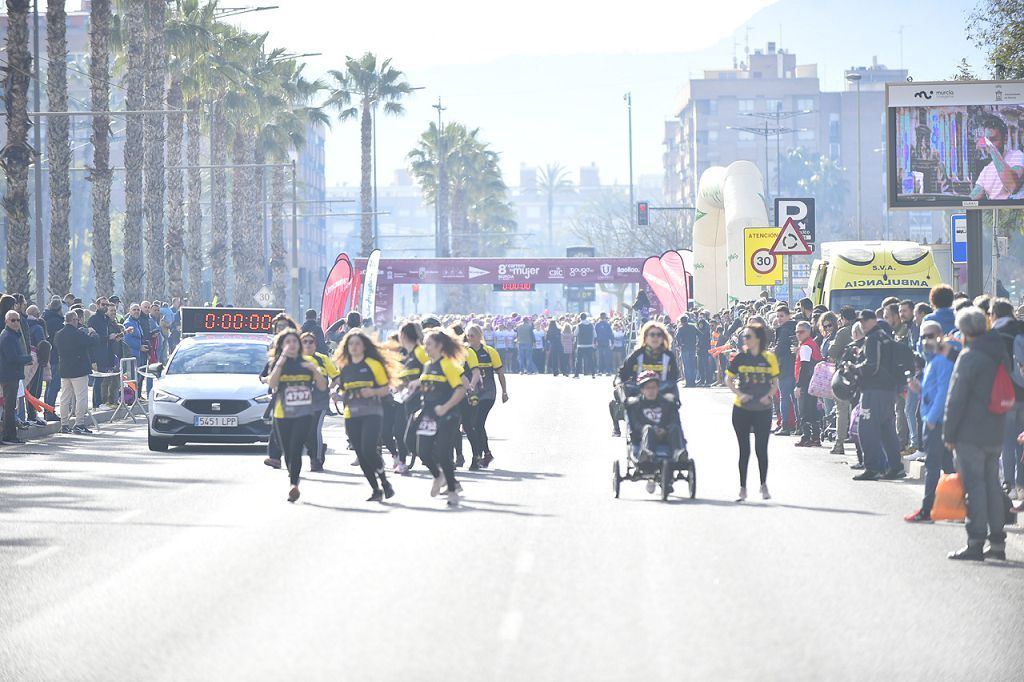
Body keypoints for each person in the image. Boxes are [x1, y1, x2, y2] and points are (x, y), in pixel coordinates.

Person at [943, 306, 1009, 561]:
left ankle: (975, 542)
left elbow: (956, 398)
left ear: (965, 331)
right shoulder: (998, 351)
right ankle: (997, 543)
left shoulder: (969, 356)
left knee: (975, 486)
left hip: (970, 431)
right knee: (992, 484)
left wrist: (949, 433)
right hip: (995, 427)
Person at [407, 328, 468, 507]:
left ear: (440, 346)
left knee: (442, 453)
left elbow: (460, 389)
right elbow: (428, 382)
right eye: (424, 343)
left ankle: (451, 489)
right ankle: (438, 476)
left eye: (429, 344)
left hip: (448, 415)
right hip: (428, 414)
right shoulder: (427, 365)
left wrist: (446, 407)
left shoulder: (448, 364)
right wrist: (415, 384)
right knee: (422, 451)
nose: (425, 347)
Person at [267, 329, 328, 503]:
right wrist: (281, 361)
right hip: (282, 413)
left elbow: (323, 386)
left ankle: (294, 484)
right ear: (282, 345)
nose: (292, 345)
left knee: (296, 447)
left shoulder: (308, 362)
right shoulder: (278, 363)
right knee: (287, 450)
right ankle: (292, 474)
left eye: (295, 341)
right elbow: (272, 383)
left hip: (304, 413)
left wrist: (315, 371)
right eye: (288, 342)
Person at [335, 329, 397, 502]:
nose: (354, 347)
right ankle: (376, 489)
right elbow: (344, 390)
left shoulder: (372, 364)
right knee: (361, 455)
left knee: (369, 449)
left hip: (372, 412)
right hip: (351, 415)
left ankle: (385, 482)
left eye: (357, 343)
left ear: (364, 346)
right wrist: (338, 395)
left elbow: (385, 389)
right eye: (351, 344)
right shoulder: (345, 366)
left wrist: (372, 391)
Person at [904, 321, 957, 522]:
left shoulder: (942, 361)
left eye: (930, 335)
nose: (926, 340)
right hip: (935, 418)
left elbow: (944, 392)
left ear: (941, 336)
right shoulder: (934, 360)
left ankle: (927, 509)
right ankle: (955, 507)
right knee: (948, 466)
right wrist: (919, 389)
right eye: (923, 336)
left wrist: (933, 419)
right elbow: (933, 390)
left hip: (937, 421)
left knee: (934, 466)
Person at [726, 321, 779, 501]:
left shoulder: (769, 358)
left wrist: (769, 396)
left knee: (761, 449)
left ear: (758, 338)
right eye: (744, 337)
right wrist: (740, 394)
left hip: (762, 409)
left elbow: (775, 384)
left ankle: (763, 485)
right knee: (744, 450)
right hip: (742, 408)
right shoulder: (740, 358)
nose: (745, 339)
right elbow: (728, 380)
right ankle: (742, 488)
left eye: (748, 336)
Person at [852, 309, 904, 481]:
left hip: (874, 390)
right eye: (860, 321)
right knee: (886, 429)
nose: (862, 324)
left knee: (866, 428)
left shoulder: (874, 338)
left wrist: (855, 368)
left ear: (874, 320)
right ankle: (896, 467)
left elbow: (872, 366)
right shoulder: (885, 336)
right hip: (888, 390)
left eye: (866, 320)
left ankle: (872, 467)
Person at [625, 370, 687, 494]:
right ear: (642, 390)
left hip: (666, 435)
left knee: (674, 427)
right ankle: (647, 455)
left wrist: (664, 429)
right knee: (648, 428)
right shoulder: (636, 405)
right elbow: (635, 424)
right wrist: (651, 429)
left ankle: (678, 454)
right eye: (648, 388)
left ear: (658, 388)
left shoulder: (667, 403)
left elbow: (673, 419)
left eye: (654, 387)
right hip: (645, 437)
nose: (651, 391)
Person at [990, 298, 1024, 501]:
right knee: (1022, 441)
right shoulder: (1020, 329)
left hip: (1006, 394)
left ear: (994, 314)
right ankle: (1022, 484)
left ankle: (1008, 483)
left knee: (1007, 441)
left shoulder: (995, 335)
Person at [464, 324, 509, 470]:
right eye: (468, 336)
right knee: (472, 424)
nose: (470, 338)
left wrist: (504, 391)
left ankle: (482, 454)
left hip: (487, 393)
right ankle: (486, 453)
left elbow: (500, 372)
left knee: (477, 422)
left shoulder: (490, 352)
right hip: (472, 393)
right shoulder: (465, 352)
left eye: (472, 335)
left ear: (479, 336)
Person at [300, 332, 339, 473]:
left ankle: (316, 461)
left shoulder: (323, 359)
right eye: (305, 342)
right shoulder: (295, 359)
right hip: (300, 403)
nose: (308, 344)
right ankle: (320, 448)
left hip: (319, 401)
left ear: (315, 345)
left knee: (315, 430)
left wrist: (329, 389)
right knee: (303, 433)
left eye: (311, 342)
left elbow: (336, 377)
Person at [54, 310, 97, 435]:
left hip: (65, 369)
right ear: (73, 320)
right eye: (77, 320)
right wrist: (92, 333)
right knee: (81, 397)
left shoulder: (58, 334)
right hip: (79, 369)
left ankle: (64, 424)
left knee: (64, 398)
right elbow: (92, 342)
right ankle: (79, 423)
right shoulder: (78, 334)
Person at [395, 321, 428, 472]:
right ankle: (402, 462)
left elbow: (433, 368)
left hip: (420, 400)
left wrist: (418, 381)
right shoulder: (405, 355)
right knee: (399, 431)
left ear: (403, 335)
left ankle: (433, 457)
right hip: (405, 399)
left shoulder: (420, 351)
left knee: (409, 436)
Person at [968, 115, 1024, 201]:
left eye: (993, 139)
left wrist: (992, 149)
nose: (988, 144)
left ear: (1005, 139)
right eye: (987, 140)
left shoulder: (1017, 156)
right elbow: (973, 197)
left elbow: (1012, 186)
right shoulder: (986, 170)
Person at [618, 321, 680, 393]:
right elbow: (622, 374)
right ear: (645, 337)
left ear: (663, 338)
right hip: (639, 396)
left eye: (659, 335)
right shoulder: (636, 355)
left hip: (662, 396)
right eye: (652, 334)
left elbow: (674, 377)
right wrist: (618, 382)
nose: (655, 337)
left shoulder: (669, 356)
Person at [0, 310, 32, 444]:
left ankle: (9, 434)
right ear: (6, 321)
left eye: (18, 320)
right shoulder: (7, 336)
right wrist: (28, 358)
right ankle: (10, 435)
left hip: (11, 374)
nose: (16, 323)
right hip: (9, 375)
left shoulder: (13, 335)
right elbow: (12, 358)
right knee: (9, 406)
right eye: (13, 320)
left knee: (10, 406)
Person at [793, 320, 823, 447]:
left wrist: (799, 386)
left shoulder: (806, 346)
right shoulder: (812, 344)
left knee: (805, 411)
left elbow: (804, 367)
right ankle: (815, 437)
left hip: (807, 383)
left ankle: (807, 437)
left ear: (808, 331)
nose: (798, 334)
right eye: (797, 332)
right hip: (812, 382)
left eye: (801, 332)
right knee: (812, 411)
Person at [772, 306, 798, 435]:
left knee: (784, 397)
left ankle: (785, 425)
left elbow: (780, 349)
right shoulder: (797, 327)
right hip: (796, 366)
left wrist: (772, 351)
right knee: (795, 398)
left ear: (788, 316)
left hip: (785, 367)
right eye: (777, 316)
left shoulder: (784, 330)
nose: (779, 319)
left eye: (781, 316)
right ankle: (799, 426)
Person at [675, 314, 699, 388]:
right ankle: (693, 382)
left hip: (684, 348)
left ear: (681, 322)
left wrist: (680, 344)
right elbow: (700, 334)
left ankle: (688, 383)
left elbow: (677, 337)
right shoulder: (692, 327)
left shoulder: (681, 328)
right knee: (692, 366)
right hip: (692, 348)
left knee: (686, 366)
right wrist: (697, 344)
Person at [573, 313, 596, 378]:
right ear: (586, 317)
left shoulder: (579, 325)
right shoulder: (591, 325)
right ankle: (593, 374)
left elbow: (575, 334)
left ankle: (577, 374)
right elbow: (595, 335)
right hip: (589, 345)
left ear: (580, 318)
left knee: (579, 361)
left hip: (580, 345)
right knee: (590, 360)